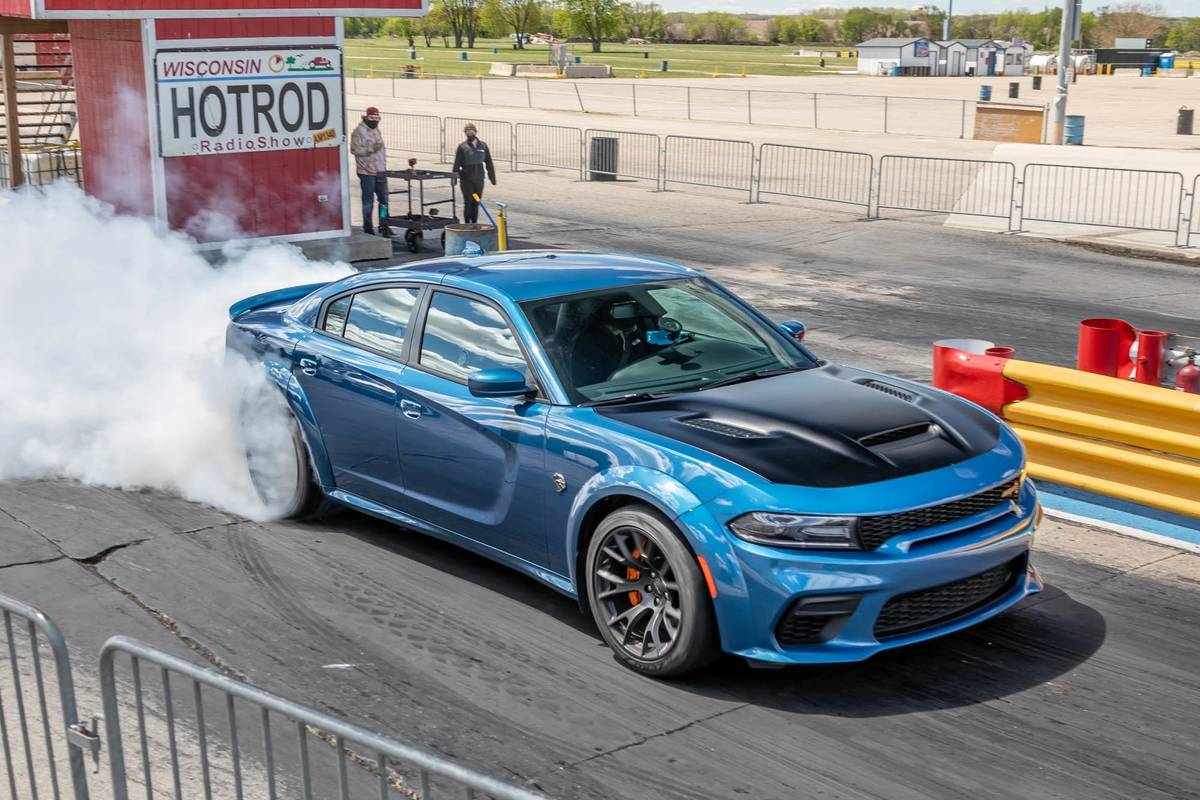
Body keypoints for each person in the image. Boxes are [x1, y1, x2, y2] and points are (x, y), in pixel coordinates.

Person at [351, 107, 390, 236]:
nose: (375, 121)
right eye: (372, 119)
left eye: (377, 119)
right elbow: (354, 149)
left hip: (380, 170)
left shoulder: (376, 130)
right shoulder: (359, 131)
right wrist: (370, 149)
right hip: (366, 171)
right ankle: (368, 226)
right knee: (368, 201)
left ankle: (384, 224)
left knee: (384, 200)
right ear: (366, 117)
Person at [451, 123, 496, 224]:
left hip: (479, 179)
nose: (470, 133)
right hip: (466, 180)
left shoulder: (483, 146)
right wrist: (454, 178)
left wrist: (492, 177)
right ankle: (467, 223)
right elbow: (457, 163)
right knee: (468, 202)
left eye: (471, 131)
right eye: (467, 132)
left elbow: (489, 162)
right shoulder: (462, 147)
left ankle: (474, 223)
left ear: (475, 132)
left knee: (476, 202)